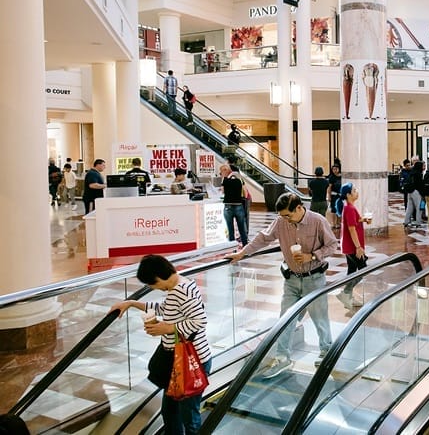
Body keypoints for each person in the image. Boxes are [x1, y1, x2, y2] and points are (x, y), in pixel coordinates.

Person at [228, 193, 335, 377]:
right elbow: (263, 238)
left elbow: (332, 245)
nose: (285, 219)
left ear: (300, 208)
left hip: (314, 278)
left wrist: (313, 255)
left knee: (320, 319)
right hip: (291, 279)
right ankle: (282, 357)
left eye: (288, 215)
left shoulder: (318, 221)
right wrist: (242, 253)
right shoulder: (281, 222)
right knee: (285, 319)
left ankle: (327, 351)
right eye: (282, 216)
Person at [109, 255, 211, 435]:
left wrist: (168, 327)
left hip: (192, 363)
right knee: (170, 411)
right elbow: (164, 307)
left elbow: (200, 321)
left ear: (158, 278)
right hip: (179, 363)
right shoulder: (178, 286)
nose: (152, 288)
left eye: (151, 284)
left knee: (189, 417)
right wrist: (132, 303)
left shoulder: (181, 290)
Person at [335, 183, 371, 310]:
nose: (357, 192)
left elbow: (354, 222)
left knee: (352, 271)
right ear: (348, 195)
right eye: (354, 190)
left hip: (349, 245)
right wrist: (358, 247)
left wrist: (363, 220)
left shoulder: (350, 207)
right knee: (362, 270)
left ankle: (348, 297)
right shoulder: (349, 208)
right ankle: (345, 292)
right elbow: (351, 229)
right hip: (352, 246)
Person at [219, 164, 248, 246]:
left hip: (228, 207)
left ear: (225, 171)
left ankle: (232, 248)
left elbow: (222, 192)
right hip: (239, 206)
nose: (221, 174)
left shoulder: (225, 180)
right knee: (242, 229)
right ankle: (245, 246)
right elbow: (245, 194)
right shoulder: (240, 179)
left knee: (230, 230)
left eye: (221, 172)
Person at [403, 160, 424, 231]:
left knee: (409, 207)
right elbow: (420, 185)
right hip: (416, 192)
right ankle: (418, 222)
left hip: (409, 192)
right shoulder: (418, 174)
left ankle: (406, 221)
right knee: (418, 208)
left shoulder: (412, 172)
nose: (423, 167)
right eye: (422, 166)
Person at [326, 164, 342, 229]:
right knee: (333, 210)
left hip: (340, 195)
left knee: (339, 209)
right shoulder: (331, 177)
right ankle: (333, 223)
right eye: (333, 169)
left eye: (336, 169)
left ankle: (338, 223)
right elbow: (329, 187)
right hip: (334, 195)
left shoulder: (342, 176)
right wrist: (329, 196)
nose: (334, 170)